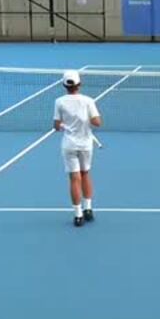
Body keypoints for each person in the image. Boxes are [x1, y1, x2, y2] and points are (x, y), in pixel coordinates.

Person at [52, 70, 101, 228]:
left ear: (64, 85)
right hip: (86, 145)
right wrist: (87, 120)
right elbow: (97, 122)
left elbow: (56, 126)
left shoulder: (59, 102)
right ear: (79, 84)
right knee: (85, 173)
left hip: (69, 145)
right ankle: (88, 209)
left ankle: (78, 215)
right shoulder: (88, 101)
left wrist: (66, 125)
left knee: (74, 178)